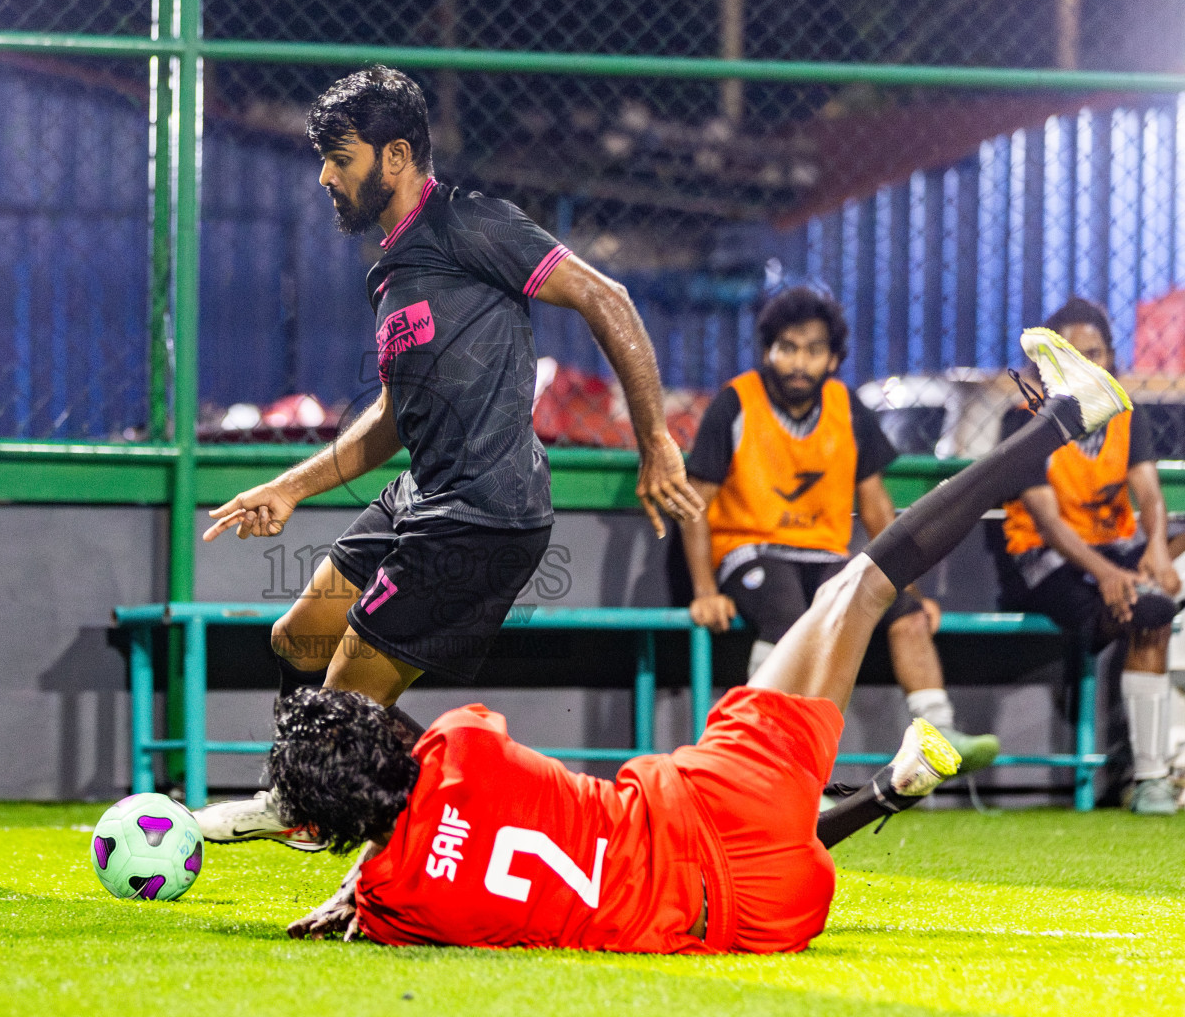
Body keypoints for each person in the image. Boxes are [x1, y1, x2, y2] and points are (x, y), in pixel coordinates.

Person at [269, 328, 1130, 952]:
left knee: (729, 833)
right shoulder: (458, 746)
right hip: (720, 807)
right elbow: (441, 771)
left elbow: (391, 880)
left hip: (768, 917)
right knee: (860, 587)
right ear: (388, 734)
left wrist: (362, 878)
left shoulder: (395, 907)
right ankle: (1064, 418)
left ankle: (892, 790)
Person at [193, 67, 702, 847]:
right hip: (421, 493)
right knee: (299, 641)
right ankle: (320, 792)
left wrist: (656, 442)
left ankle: (400, 813)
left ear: (395, 156)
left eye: (341, 157)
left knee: (341, 713)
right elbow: (396, 418)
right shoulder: (391, 272)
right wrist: (292, 487)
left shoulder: (471, 221)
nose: (327, 176)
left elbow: (609, 299)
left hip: (484, 510)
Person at [677, 286, 999, 771]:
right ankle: (757, 754)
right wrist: (703, 589)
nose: (799, 362)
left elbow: (875, 506)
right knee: (786, 612)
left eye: (813, 350)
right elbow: (694, 503)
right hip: (750, 549)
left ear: (833, 358)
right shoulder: (735, 403)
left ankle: (940, 734)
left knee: (905, 613)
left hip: (824, 555)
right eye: (787, 347)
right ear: (768, 350)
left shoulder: (846, 407)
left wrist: (905, 587)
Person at [998, 297, 1181, 815]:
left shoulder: (1126, 413)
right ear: (1047, 365)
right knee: (1149, 612)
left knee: (1159, 592)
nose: (1086, 364)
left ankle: (1156, 773)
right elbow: (1048, 523)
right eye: (1071, 355)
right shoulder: (1025, 422)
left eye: (1095, 353)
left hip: (1113, 550)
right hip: (1045, 559)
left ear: (1111, 358)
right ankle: (1151, 780)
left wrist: (1160, 555)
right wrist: (1107, 574)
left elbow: (1149, 495)